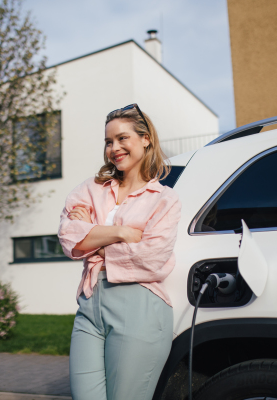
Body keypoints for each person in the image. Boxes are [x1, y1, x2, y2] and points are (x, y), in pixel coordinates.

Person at [58, 104, 181, 400]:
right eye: (109, 141)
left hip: (139, 307)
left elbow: (151, 257)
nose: (114, 148)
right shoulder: (90, 189)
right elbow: (68, 237)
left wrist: (93, 238)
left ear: (145, 139)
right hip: (89, 306)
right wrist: (122, 233)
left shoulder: (164, 199)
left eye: (122, 138)